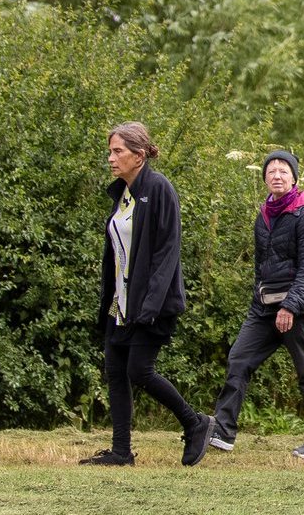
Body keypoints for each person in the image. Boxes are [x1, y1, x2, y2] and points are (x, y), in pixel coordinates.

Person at [79, 122, 211, 467]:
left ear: (139, 155)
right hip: (120, 305)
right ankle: (121, 452)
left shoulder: (159, 188)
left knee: (140, 371)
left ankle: (196, 423)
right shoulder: (124, 194)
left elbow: (167, 252)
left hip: (150, 305)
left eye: (117, 151)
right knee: (115, 371)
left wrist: (150, 304)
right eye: (110, 151)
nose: (111, 158)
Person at [206, 150, 304, 458]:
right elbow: (261, 267)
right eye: (271, 171)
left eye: (283, 171)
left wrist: (290, 307)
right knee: (239, 358)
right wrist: (259, 302)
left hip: (299, 309)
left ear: (294, 178)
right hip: (263, 307)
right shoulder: (264, 215)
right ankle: (222, 432)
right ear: (265, 178)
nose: (276, 175)